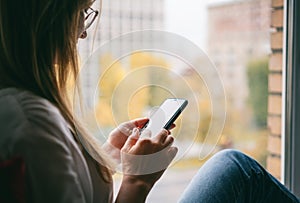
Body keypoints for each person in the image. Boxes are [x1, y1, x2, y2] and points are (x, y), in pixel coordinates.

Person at [0, 0, 299, 203]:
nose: (83, 31)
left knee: (232, 166)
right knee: (237, 169)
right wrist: (137, 182)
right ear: (47, 18)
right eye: (82, 11)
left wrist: (109, 155)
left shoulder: (22, 109)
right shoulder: (31, 121)